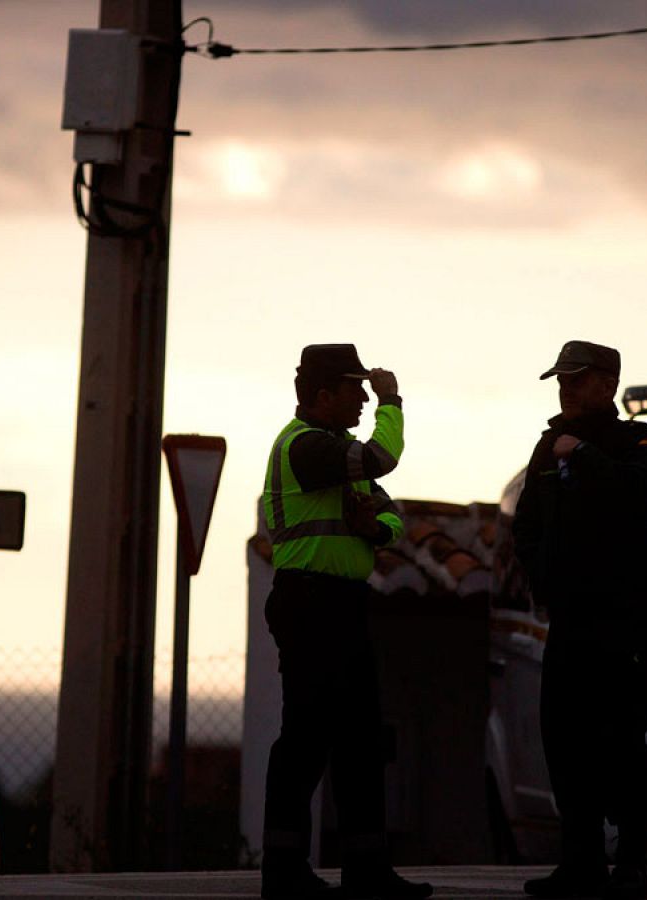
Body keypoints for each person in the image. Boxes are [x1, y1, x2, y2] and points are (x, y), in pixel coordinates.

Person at [259, 344, 431, 900]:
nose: (361, 398)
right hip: (309, 603)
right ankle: (283, 871)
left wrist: (373, 528)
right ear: (322, 395)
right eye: (354, 390)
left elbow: (392, 516)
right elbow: (382, 461)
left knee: (360, 741)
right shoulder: (306, 447)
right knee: (306, 738)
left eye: (366, 389)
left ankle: (367, 870)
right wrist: (392, 401)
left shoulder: (336, 451)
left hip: (341, 605)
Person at [510, 341, 647, 900]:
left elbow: (639, 493)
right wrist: (543, 575)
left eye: (577, 379)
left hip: (625, 619)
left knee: (622, 741)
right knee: (566, 741)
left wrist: (582, 456)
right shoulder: (547, 446)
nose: (567, 388)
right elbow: (525, 526)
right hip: (571, 620)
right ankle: (579, 864)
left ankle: (630, 865)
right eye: (562, 380)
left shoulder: (637, 441)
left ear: (608, 384)